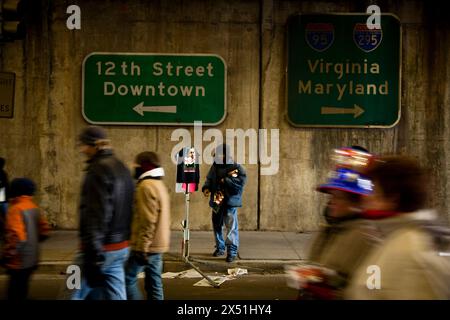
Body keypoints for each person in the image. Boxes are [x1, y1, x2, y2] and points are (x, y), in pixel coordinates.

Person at [345, 156, 450, 299]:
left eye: (373, 190)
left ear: (393, 198)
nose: (365, 196)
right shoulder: (392, 237)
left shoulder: (409, 248)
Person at [296, 147, 376, 299]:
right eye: (331, 196)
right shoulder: (331, 229)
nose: (331, 202)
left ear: (356, 202)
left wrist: (328, 292)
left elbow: (370, 291)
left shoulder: (366, 238)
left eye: (338, 197)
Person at [72, 126, 134, 300]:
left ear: (92, 145)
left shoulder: (97, 170)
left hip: (97, 249)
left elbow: (96, 214)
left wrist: (93, 255)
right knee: (117, 296)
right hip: (120, 247)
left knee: (70, 292)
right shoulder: (121, 167)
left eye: (83, 145)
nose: (82, 150)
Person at [125, 152, 171, 300]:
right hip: (159, 244)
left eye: (136, 165)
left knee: (127, 279)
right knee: (154, 283)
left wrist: (142, 247)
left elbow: (148, 220)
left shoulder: (146, 186)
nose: (134, 168)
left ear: (144, 167)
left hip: (147, 246)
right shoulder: (159, 184)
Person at [1, 178, 50, 300]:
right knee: (23, 288)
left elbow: (16, 237)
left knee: (14, 291)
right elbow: (44, 230)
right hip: (32, 259)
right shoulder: (33, 207)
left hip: (18, 261)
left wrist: (6, 256)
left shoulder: (15, 209)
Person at [202, 144, 247, 263]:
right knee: (217, 226)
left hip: (229, 202)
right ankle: (220, 248)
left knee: (231, 227)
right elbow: (209, 179)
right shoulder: (215, 167)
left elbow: (240, 184)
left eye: (220, 155)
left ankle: (231, 251)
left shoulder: (237, 167)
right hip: (217, 201)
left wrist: (225, 180)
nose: (217, 158)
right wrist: (206, 188)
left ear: (226, 155)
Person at [0, 157, 9, 240]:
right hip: (4, 199)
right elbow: (6, 186)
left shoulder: (3, 174)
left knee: (5, 217)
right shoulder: (4, 173)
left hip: (3, 199)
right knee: (5, 217)